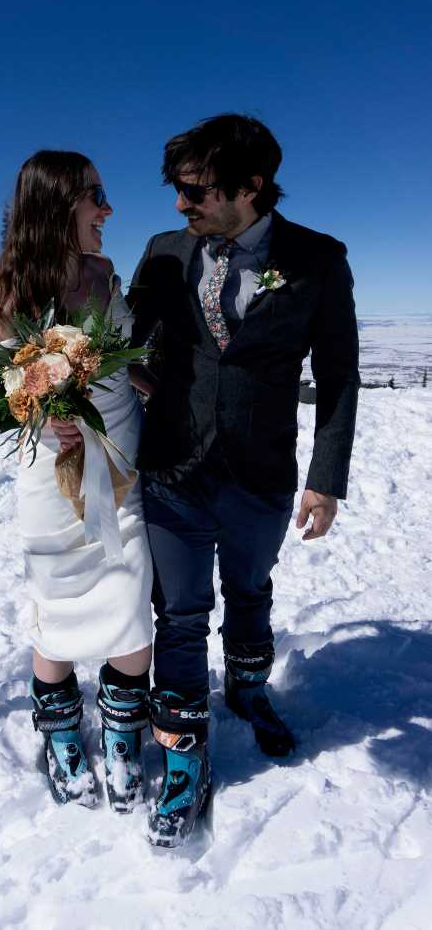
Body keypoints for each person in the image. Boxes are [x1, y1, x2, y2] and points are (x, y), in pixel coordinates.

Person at [126, 113, 360, 847]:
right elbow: (126, 347)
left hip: (262, 471)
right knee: (181, 610)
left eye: (194, 189)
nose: (178, 204)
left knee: (250, 589)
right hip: (171, 468)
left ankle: (250, 688)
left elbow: (339, 376)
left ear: (250, 186)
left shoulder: (318, 258)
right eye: (176, 188)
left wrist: (324, 479)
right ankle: (184, 752)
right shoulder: (164, 252)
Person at [0, 151, 154, 812]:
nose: (107, 209)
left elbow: (121, 359)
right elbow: (8, 382)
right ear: (58, 205)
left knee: (131, 606)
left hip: (120, 463)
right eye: (95, 195)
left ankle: (122, 734)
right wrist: (44, 413)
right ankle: (59, 735)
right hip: (53, 478)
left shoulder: (104, 275)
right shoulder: (11, 294)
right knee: (56, 614)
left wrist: (158, 387)